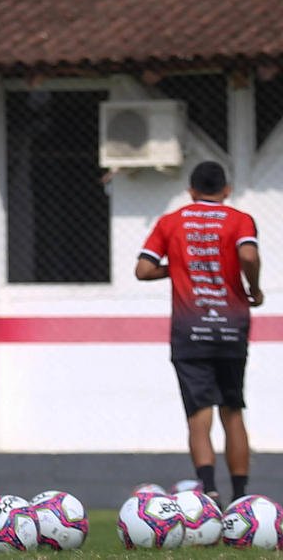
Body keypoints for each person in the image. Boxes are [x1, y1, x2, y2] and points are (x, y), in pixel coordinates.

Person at [135, 160, 263, 505]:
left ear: (191, 191)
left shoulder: (171, 222)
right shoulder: (240, 220)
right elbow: (248, 254)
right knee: (233, 411)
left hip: (189, 333)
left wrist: (177, 267)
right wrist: (255, 287)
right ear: (226, 190)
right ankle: (241, 497)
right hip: (231, 329)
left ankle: (209, 492)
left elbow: (143, 269)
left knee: (198, 416)